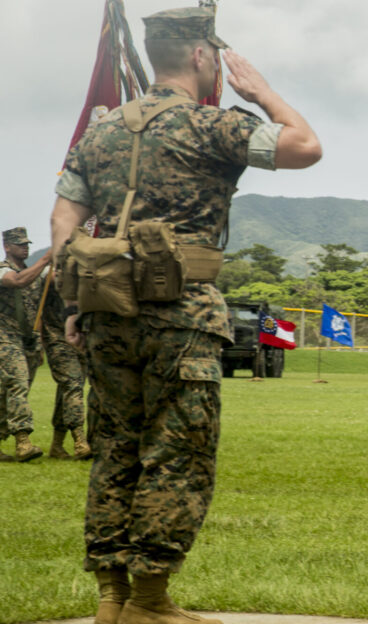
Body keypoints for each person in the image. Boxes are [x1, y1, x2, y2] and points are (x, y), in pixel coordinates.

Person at [50, 7, 321, 624]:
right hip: (181, 312)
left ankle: (111, 598)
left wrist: (74, 299)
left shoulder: (100, 132)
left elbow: (64, 217)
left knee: (117, 445)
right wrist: (262, 92)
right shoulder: (213, 126)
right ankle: (149, 601)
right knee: (178, 453)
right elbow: (304, 146)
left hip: (105, 310)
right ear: (203, 56)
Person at [0, 227, 50, 463]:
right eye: (19, 243)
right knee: (18, 384)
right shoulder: (4, 271)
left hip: (28, 340)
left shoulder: (32, 272)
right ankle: (23, 442)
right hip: (5, 338)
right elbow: (18, 282)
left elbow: (35, 309)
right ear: (7, 246)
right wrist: (46, 258)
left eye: (26, 243)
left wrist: (38, 344)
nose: (25, 247)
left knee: (7, 393)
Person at [41, 279, 91, 460]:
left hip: (81, 338)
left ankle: (57, 445)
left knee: (67, 392)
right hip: (57, 338)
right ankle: (80, 441)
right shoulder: (51, 275)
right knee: (72, 385)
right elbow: (55, 280)